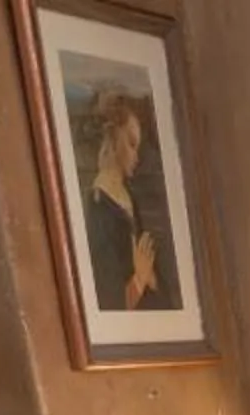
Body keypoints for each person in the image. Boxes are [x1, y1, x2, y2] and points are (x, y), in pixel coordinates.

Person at [79, 87, 178, 313]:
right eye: (132, 144)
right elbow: (111, 306)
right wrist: (140, 278)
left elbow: (149, 267)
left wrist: (151, 279)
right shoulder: (98, 207)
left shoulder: (127, 196)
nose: (137, 156)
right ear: (112, 140)